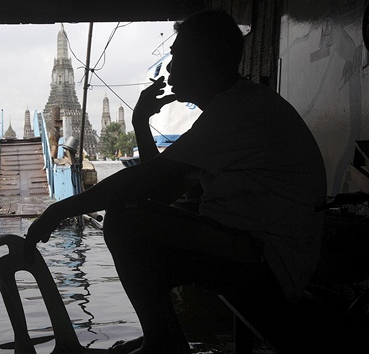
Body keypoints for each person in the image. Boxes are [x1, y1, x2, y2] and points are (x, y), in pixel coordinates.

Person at [24, 9, 327, 354]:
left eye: (176, 54)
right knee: (138, 214)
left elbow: (145, 182)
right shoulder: (234, 108)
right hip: (264, 253)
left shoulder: (236, 112)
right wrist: (140, 123)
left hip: (271, 263)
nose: (169, 67)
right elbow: (163, 191)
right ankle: (162, 335)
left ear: (202, 60)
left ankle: (164, 341)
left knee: (125, 221)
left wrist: (59, 209)